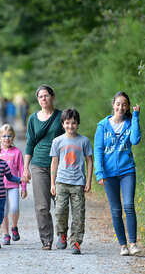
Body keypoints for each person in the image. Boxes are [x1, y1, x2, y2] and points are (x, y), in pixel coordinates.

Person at [94, 91, 142, 256]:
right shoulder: (102, 126)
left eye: (124, 104)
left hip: (127, 170)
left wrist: (135, 116)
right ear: (113, 105)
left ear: (127, 107)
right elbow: (98, 150)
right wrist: (99, 173)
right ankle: (123, 246)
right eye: (118, 104)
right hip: (109, 174)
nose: (121, 107)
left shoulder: (130, 123)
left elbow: (135, 140)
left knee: (128, 205)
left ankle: (133, 243)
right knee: (115, 210)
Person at [22, 84, 64, 250]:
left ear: (52, 97)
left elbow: (70, 137)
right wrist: (25, 168)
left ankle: (62, 235)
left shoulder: (61, 116)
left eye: (46, 95)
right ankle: (46, 240)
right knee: (42, 206)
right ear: (37, 99)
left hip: (60, 165)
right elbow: (30, 143)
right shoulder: (33, 118)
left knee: (61, 204)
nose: (44, 99)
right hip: (39, 164)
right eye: (40, 97)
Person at [50, 108, 93, 255]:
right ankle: (62, 234)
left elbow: (89, 161)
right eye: (67, 123)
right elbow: (54, 162)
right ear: (62, 124)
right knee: (60, 210)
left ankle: (75, 241)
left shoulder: (84, 141)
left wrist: (88, 180)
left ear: (78, 124)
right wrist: (52, 182)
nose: (70, 126)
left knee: (78, 214)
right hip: (61, 181)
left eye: (73, 123)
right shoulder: (57, 141)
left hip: (78, 182)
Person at [0, 124, 27, 245]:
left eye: (9, 136)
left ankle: (14, 227)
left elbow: (22, 170)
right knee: (3, 211)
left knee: (14, 208)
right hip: (0, 186)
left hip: (13, 185)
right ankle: (5, 234)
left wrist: (24, 186)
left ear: (13, 137)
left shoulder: (17, 152)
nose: (6, 138)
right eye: (4, 136)